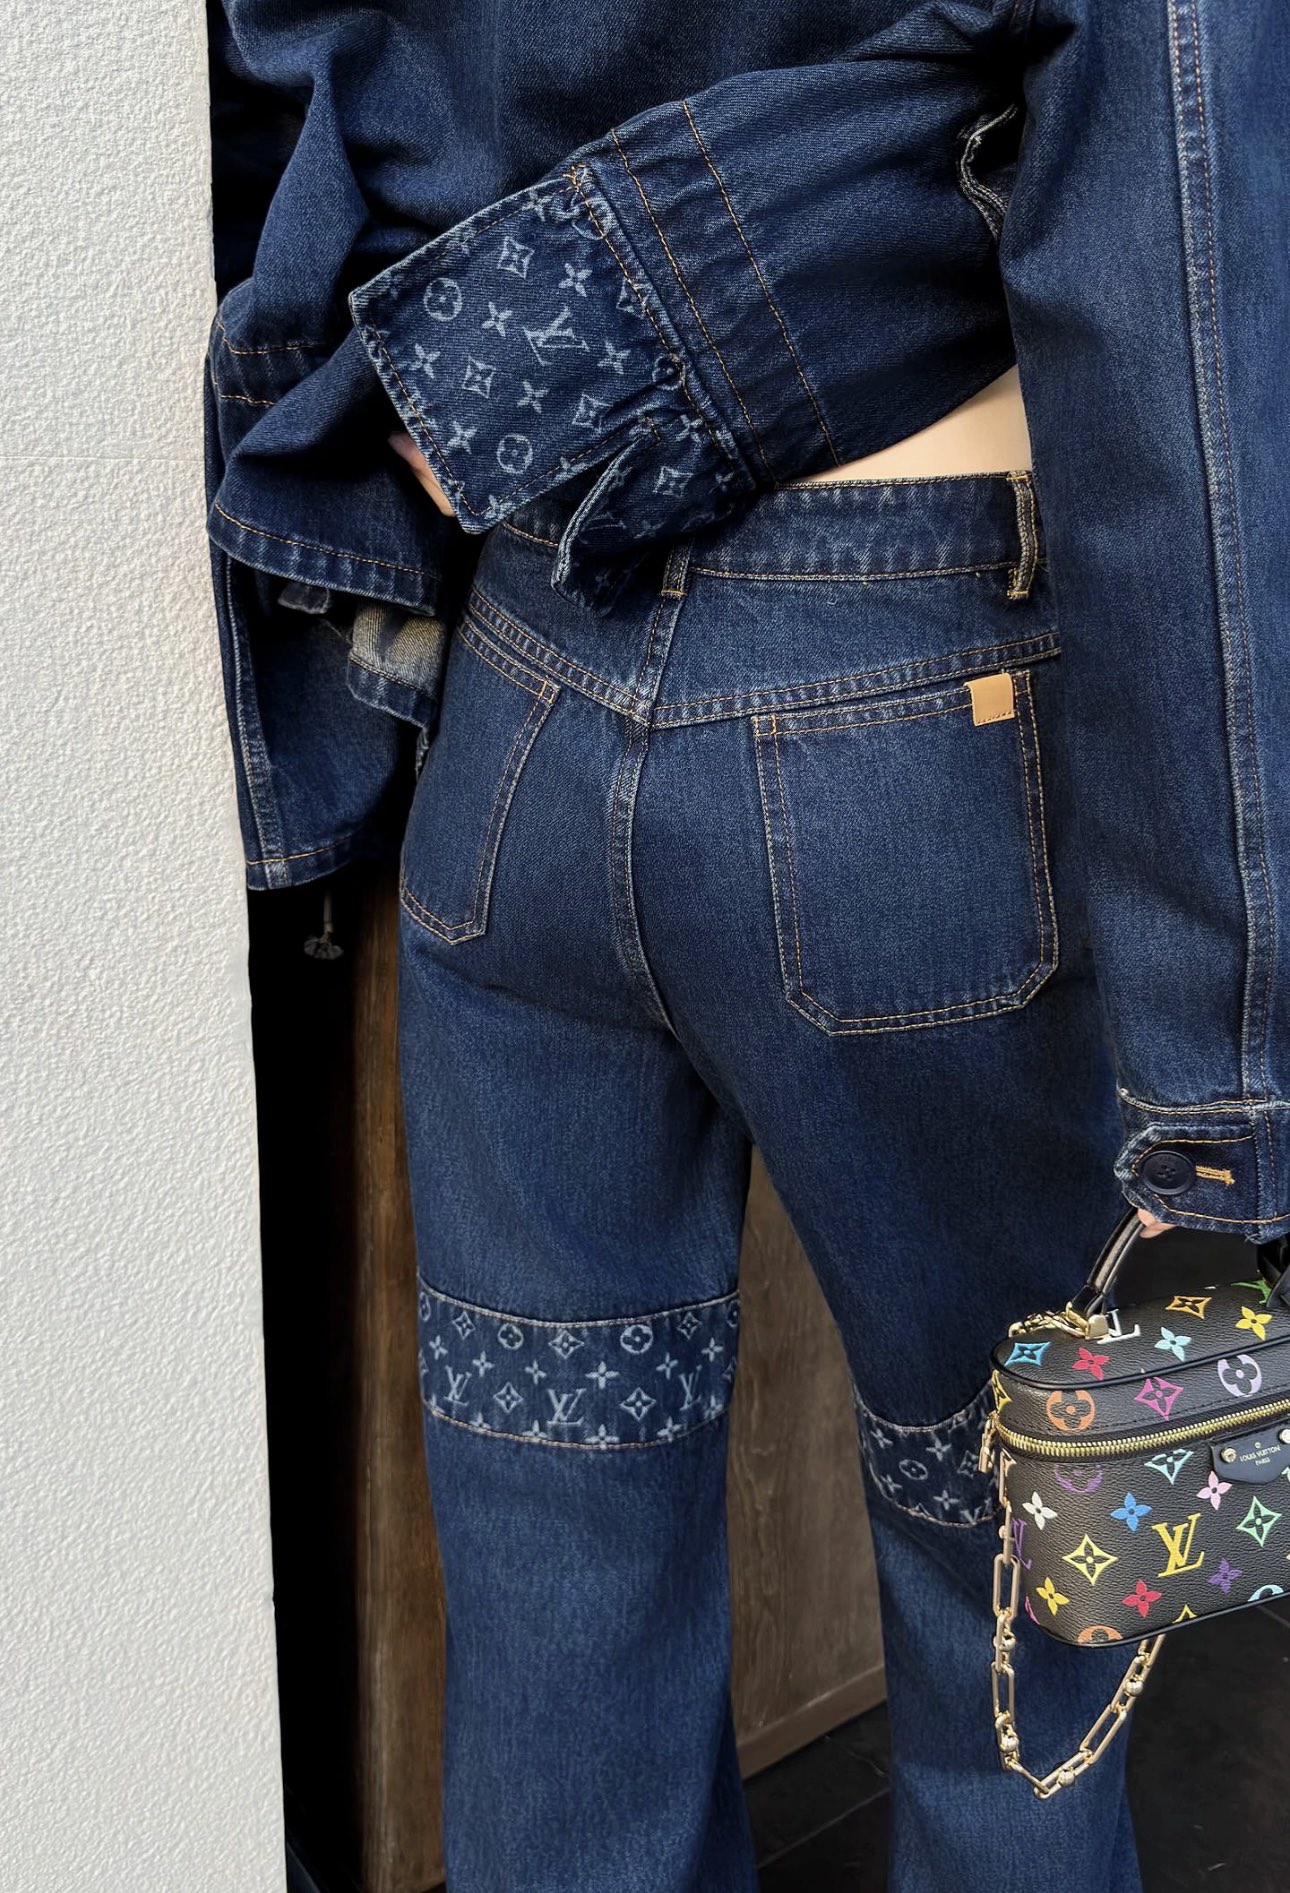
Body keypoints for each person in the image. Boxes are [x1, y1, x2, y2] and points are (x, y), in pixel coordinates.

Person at [205, 1, 1289, 1887]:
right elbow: (1183, 305)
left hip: (522, 700)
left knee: (559, 1587)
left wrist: (411, 373)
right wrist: (1228, 1050)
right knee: (1015, 1596)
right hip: (919, 697)